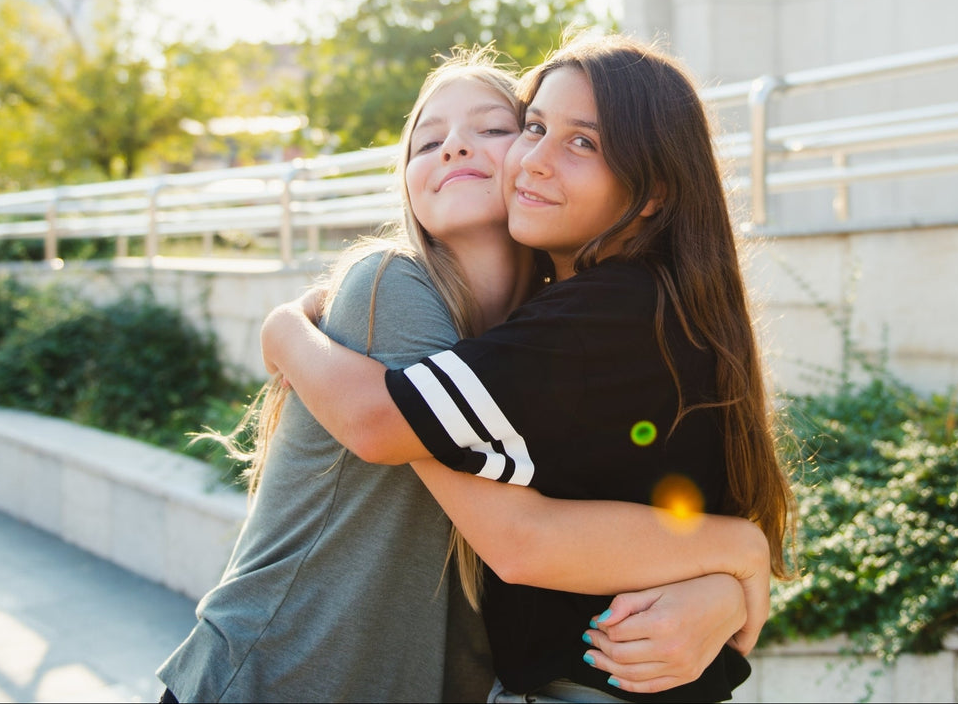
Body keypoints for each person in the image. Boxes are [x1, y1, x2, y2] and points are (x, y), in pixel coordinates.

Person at [158, 47, 772, 704]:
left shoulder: (561, 327)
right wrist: (736, 558)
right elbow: (501, 520)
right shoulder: (395, 287)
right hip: (280, 679)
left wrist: (727, 577)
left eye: (495, 128)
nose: (455, 147)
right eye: (428, 140)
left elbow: (552, 523)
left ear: (652, 188)